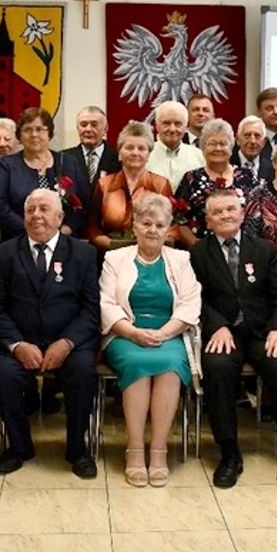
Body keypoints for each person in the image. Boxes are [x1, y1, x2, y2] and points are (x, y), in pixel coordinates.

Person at [0, 189, 99, 479]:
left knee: (83, 371)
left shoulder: (84, 253)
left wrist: (67, 342)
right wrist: (17, 344)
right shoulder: (4, 253)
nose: (37, 215)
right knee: (2, 373)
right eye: (30, 210)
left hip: (69, 343)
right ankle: (19, 447)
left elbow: (91, 310)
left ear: (60, 216)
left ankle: (77, 450)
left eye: (44, 209)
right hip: (20, 340)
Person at [190, 190, 277, 488]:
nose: (225, 215)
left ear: (241, 214)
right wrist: (216, 326)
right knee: (218, 367)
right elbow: (195, 298)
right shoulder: (197, 253)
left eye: (230, 209)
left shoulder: (264, 249)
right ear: (208, 220)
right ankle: (229, 453)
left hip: (263, 333)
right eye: (217, 212)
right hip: (223, 333)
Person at [99, 192, 201, 487]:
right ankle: (134, 449)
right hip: (125, 333)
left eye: (159, 224)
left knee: (169, 365)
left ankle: (158, 450)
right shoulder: (114, 258)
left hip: (169, 332)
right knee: (137, 364)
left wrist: (166, 332)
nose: (152, 230)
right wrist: (132, 333)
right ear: (135, 226)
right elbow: (106, 303)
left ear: (169, 229)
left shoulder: (181, 259)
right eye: (146, 223)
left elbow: (190, 304)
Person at [0, 107, 88, 240]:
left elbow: (84, 202)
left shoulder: (69, 163)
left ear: (49, 133)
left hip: (64, 240)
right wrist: (32, 230)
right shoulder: (7, 166)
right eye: (27, 130)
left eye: (40, 129)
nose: (34, 134)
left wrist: (66, 229)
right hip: (20, 240)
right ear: (19, 136)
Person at [85, 121, 175, 251]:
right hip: (110, 254)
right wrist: (112, 245)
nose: (135, 153)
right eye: (129, 148)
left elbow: (172, 228)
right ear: (119, 153)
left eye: (141, 148)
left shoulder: (161, 185)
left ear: (149, 154)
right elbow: (92, 227)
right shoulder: (104, 184)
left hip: (151, 255)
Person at [173, 118, 260, 246]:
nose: (218, 148)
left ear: (231, 147)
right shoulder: (191, 178)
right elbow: (179, 220)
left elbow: (258, 216)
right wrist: (199, 249)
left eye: (223, 143)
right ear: (202, 147)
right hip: (201, 251)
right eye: (212, 143)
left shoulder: (248, 176)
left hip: (244, 250)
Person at [145, 100, 205, 188]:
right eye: (166, 123)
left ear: (186, 127)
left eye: (178, 124)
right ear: (157, 125)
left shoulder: (199, 157)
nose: (172, 129)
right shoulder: (143, 155)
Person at [66, 106, 122, 198]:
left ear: (105, 129)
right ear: (77, 128)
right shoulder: (64, 158)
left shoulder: (118, 159)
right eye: (83, 125)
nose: (88, 129)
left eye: (94, 125)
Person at [231, 114, 274, 183]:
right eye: (247, 135)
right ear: (238, 140)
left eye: (257, 136)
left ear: (264, 142)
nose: (252, 141)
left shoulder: (273, 169)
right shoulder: (226, 164)